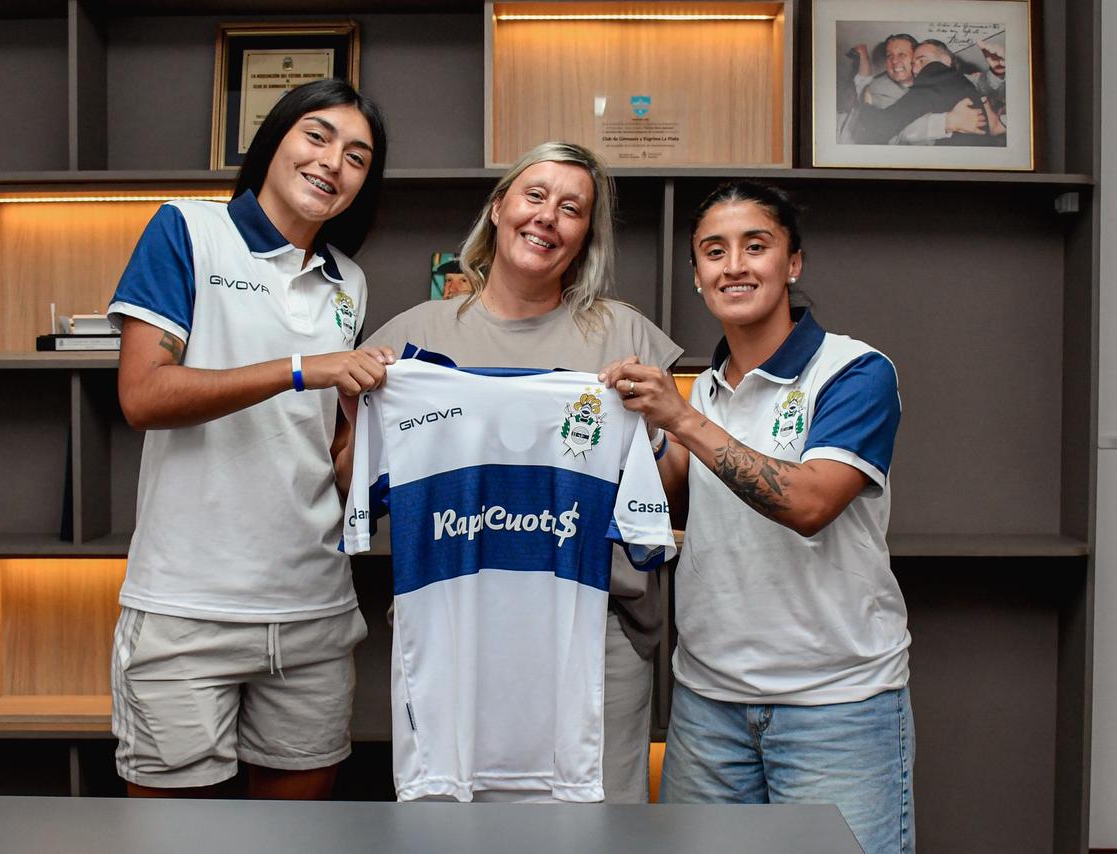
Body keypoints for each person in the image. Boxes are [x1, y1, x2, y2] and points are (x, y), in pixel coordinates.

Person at [361, 140, 682, 802]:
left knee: (593, 827)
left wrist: (662, 424)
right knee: (456, 823)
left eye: (572, 208)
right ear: (498, 206)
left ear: (586, 235)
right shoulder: (412, 341)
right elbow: (354, 485)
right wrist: (355, 413)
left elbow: (669, 495)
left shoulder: (625, 336)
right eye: (535, 195)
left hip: (592, 627)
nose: (547, 217)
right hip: (456, 620)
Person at [600, 181, 911, 854]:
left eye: (756, 246)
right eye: (714, 251)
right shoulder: (704, 390)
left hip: (835, 706)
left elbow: (809, 503)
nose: (734, 265)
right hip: (707, 704)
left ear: (793, 262)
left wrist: (679, 419)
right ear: (696, 275)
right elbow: (673, 501)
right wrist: (625, 432)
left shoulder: (854, 372)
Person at [105, 78, 394, 799]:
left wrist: (365, 433)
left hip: (314, 610)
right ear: (273, 141)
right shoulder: (187, 229)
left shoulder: (349, 283)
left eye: (357, 157)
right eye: (317, 136)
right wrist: (300, 369)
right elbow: (143, 395)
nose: (333, 162)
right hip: (187, 608)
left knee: (294, 840)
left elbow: (325, 451)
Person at [851, 38, 997, 146]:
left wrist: (997, 74)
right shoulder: (879, 89)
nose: (894, 61)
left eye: (902, 55)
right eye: (889, 56)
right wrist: (948, 121)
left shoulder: (934, 73)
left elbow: (981, 83)